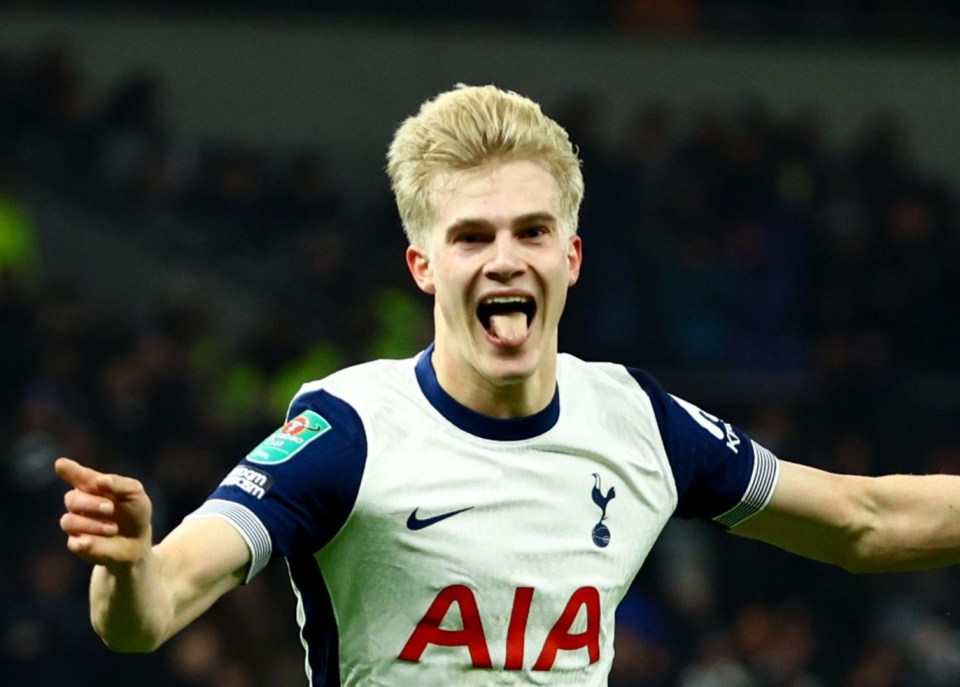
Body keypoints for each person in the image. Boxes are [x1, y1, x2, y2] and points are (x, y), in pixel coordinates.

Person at [56, 84, 960, 687]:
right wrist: (128, 565)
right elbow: (153, 609)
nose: (504, 258)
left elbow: (864, 520)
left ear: (569, 257)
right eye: (471, 236)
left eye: (531, 231)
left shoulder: (635, 420)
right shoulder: (349, 430)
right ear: (423, 264)